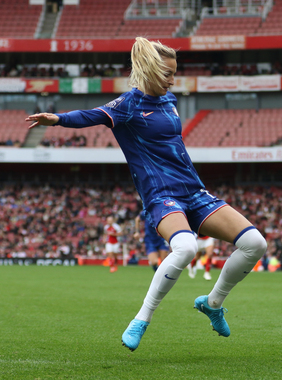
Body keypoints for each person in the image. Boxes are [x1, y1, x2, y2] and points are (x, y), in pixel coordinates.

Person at [25, 37, 267, 352]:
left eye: (174, 72)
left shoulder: (170, 101)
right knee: (185, 247)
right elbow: (93, 115)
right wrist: (57, 119)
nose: (172, 79)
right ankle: (142, 318)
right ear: (150, 70)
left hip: (194, 191)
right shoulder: (129, 104)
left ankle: (213, 303)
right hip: (161, 195)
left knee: (255, 244)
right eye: (167, 73)